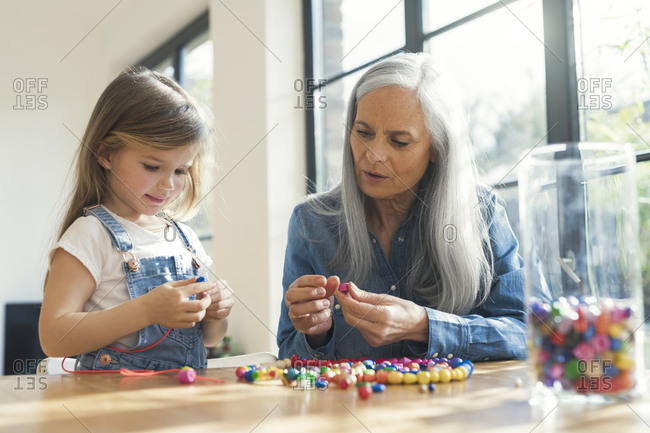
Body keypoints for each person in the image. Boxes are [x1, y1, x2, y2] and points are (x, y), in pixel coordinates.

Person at [277, 53, 526, 362]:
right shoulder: (311, 223)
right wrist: (315, 333)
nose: (374, 155)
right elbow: (288, 352)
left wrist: (424, 326)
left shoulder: (481, 213)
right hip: (349, 410)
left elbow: (527, 332)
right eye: (364, 133)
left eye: (399, 141)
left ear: (437, 148)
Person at [39, 67, 234, 371]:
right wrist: (145, 310)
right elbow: (53, 337)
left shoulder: (184, 238)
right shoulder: (90, 234)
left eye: (180, 171)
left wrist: (216, 315)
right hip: (112, 409)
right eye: (152, 166)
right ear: (105, 154)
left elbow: (209, 340)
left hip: (180, 404)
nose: (168, 184)